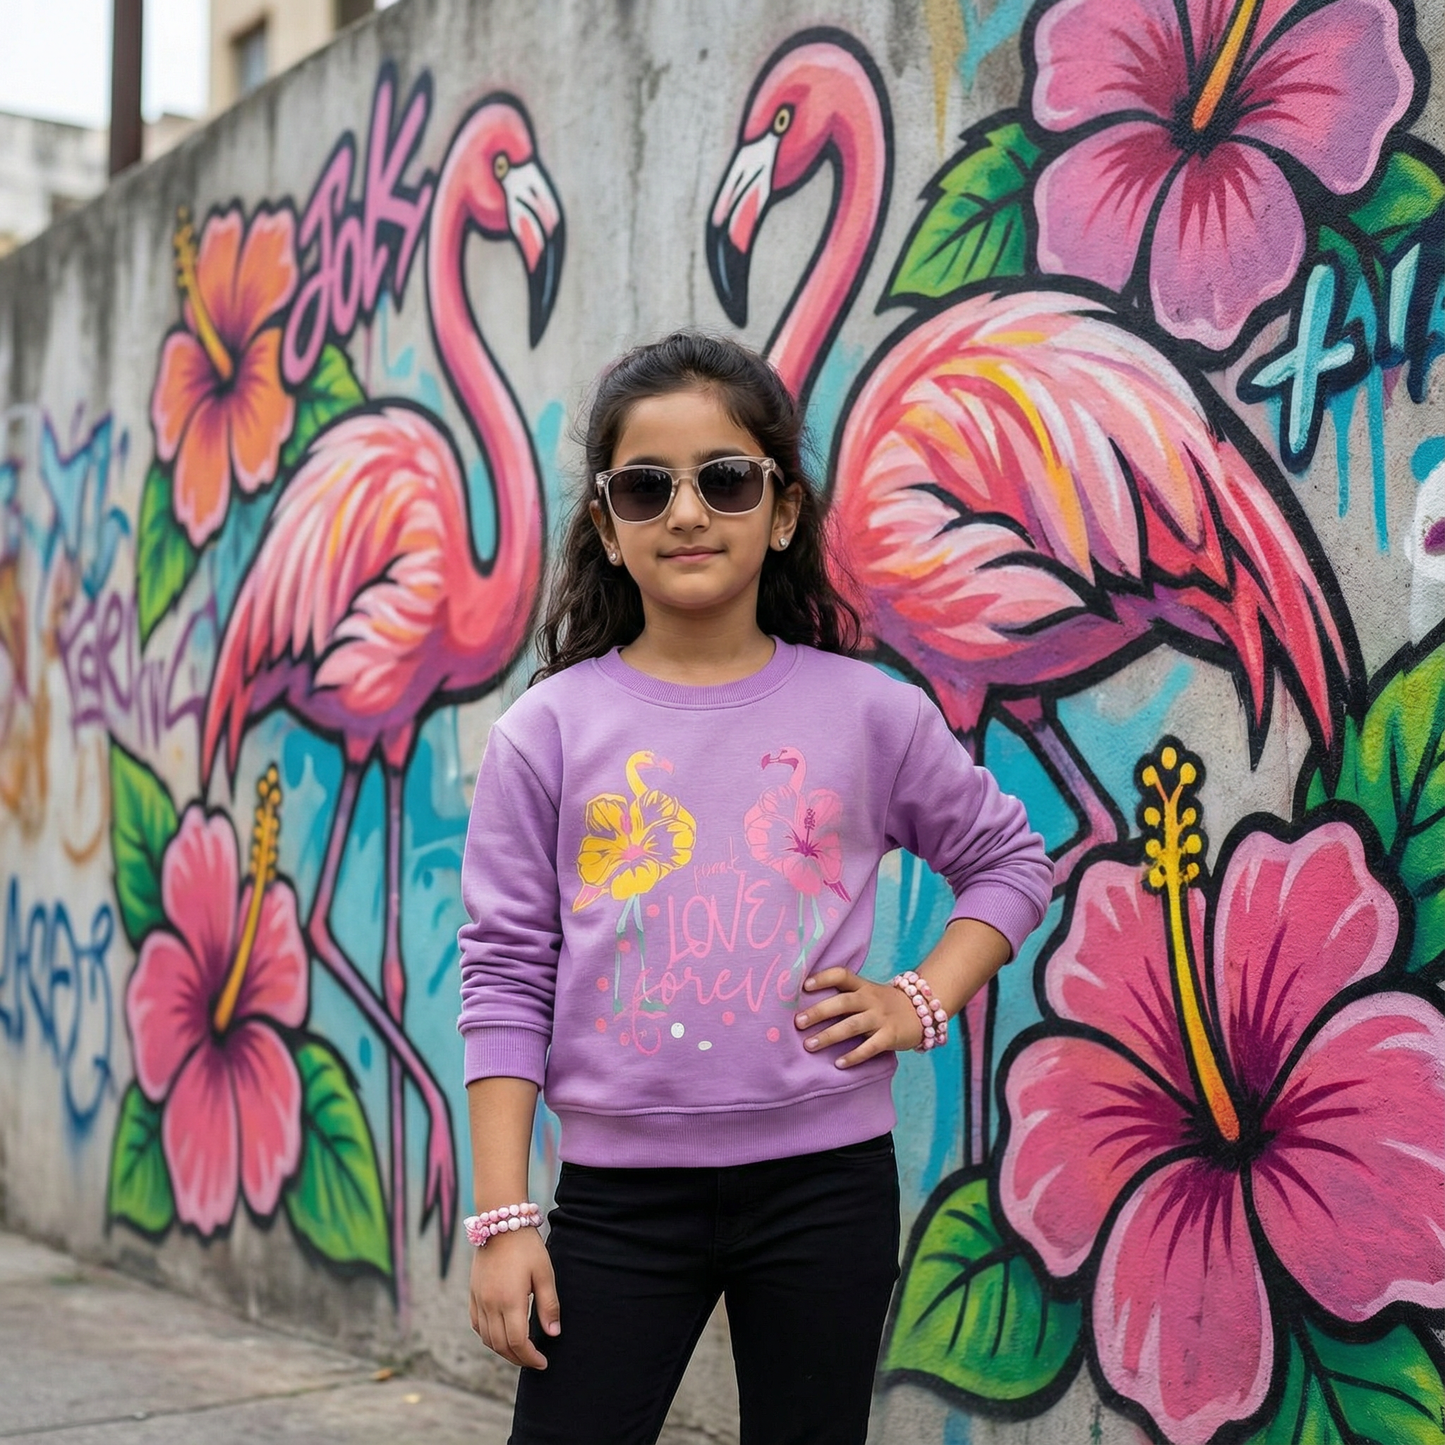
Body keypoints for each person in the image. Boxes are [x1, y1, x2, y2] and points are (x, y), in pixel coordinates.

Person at [456, 331, 1052, 1445]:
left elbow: (1010, 860)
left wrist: (918, 1000)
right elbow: (502, 975)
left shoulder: (867, 713)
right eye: (646, 486)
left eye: (724, 479)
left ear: (779, 511)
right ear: (607, 526)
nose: (687, 512)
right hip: (616, 1202)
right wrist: (503, 1217)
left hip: (823, 1186)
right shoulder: (545, 733)